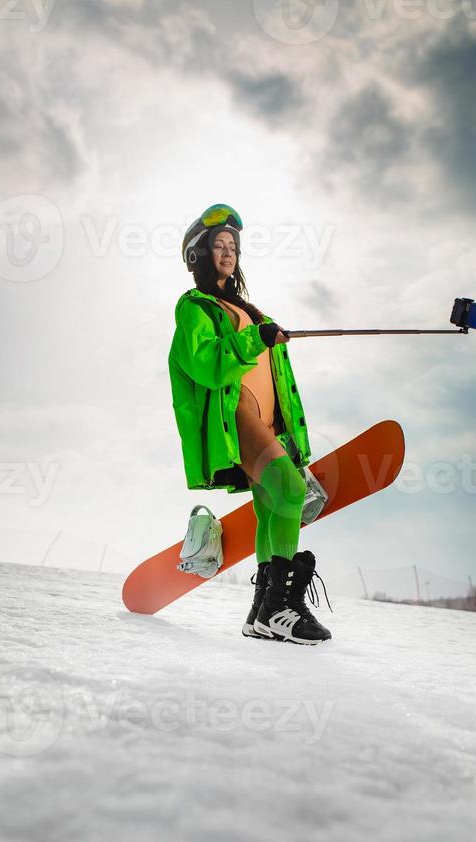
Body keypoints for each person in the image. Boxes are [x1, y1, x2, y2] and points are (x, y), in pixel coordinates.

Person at [168, 204, 331, 645]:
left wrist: (269, 335)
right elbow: (205, 365)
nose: (227, 253)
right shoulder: (193, 308)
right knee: (292, 490)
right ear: (197, 256)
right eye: (217, 246)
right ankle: (281, 607)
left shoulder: (247, 307)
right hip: (235, 411)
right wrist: (254, 337)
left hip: (267, 416)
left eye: (232, 247)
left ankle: (261, 611)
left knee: (270, 506)